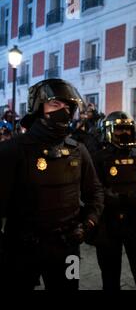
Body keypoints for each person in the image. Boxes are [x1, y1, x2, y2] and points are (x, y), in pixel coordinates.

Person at [0, 78, 104, 290]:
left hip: (68, 250)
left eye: (68, 107)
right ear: (38, 108)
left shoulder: (79, 150)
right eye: (55, 105)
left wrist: (88, 224)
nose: (63, 111)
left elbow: (95, 193)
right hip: (22, 250)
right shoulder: (12, 150)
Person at [91, 111, 136, 290]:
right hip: (108, 225)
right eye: (119, 130)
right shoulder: (98, 158)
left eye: (127, 129)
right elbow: (94, 190)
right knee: (110, 275)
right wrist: (121, 199)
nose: (124, 133)